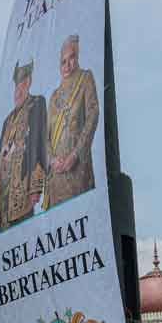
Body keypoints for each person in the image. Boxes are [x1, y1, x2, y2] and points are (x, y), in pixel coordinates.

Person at [43, 34, 99, 210]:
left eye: (72, 58)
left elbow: (93, 115)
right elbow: (45, 136)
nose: (67, 65)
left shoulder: (85, 79)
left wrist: (75, 154)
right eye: (63, 61)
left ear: (78, 56)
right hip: (56, 179)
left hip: (77, 174)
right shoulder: (54, 96)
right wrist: (51, 160)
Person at [0, 60, 47, 232]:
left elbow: (40, 143)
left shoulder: (36, 104)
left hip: (22, 192)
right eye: (17, 85)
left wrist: (36, 187)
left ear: (29, 82)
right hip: (4, 200)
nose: (18, 90)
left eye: (23, 83)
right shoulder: (7, 121)